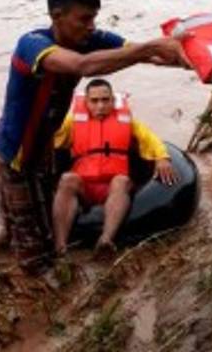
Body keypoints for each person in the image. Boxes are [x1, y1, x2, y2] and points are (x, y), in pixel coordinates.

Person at [0, 0, 184, 276]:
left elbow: (141, 54)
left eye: (94, 18)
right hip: (15, 151)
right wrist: (149, 48)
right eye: (84, 19)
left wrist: (191, 60)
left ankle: (10, 239)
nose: (92, 26)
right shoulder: (33, 45)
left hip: (43, 146)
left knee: (30, 209)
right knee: (32, 247)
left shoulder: (87, 39)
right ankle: (30, 279)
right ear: (57, 16)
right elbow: (82, 66)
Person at [52, 78, 177, 257]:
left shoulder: (128, 121)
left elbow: (150, 139)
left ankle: (106, 240)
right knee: (67, 179)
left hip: (113, 186)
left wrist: (162, 158)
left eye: (105, 100)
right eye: (94, 101)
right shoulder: (72, 122)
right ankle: (60, 245)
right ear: (86, 102)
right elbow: (50, 140)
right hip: (83, 186)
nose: (100, 106)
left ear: (112, 100)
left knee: (122, 180)